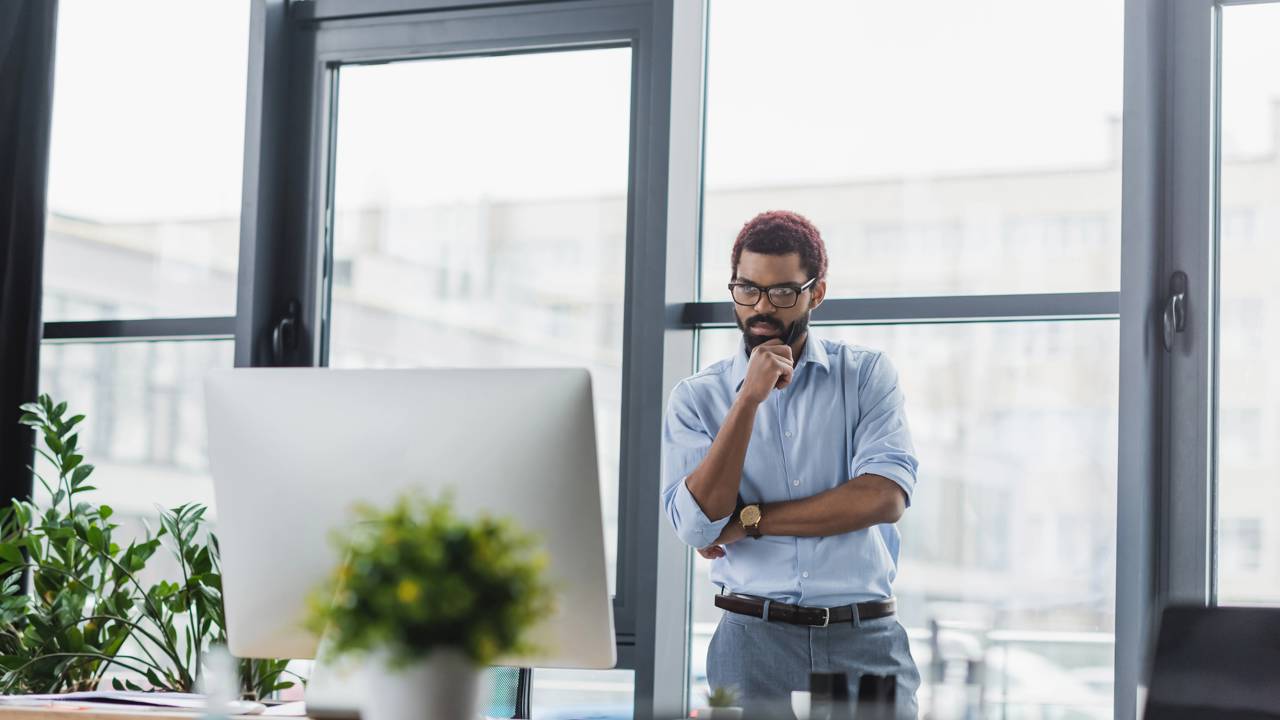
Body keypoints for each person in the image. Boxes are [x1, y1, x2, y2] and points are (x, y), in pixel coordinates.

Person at [661, 210, 921, 718]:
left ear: (814, 293)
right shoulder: (697, 398)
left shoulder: (866, 376)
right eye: (747, 289)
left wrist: (750, 520)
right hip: (750, 640)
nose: (761, 307)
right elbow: (696, 526)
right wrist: (747, 401)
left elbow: (884, 496)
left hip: (862, 640)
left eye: (781, 292)